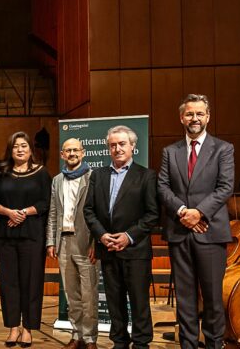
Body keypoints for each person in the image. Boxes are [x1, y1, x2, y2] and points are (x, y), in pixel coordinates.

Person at [157, 94, 234, 349]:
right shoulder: (170, 152)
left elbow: (225, 188)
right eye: (189, 114)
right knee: (185, 299)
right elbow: (163, 187)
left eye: (199, 114)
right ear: (182, 117)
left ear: (208, 117)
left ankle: (214, 345)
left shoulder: (223, 149)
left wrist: (198, 213)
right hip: (179, 232)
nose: (194, 118)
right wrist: (182, 212)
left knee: (212, 299)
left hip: (210, 232)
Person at [84, 125, 158, 349]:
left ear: (133, 146)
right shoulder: (98, 175)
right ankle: (119, 342)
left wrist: (128, 236)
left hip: (135, 251)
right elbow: (88, 210)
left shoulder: (146, 176)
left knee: (139, 302)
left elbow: (152, 214)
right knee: (114, 301)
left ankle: (141, 343)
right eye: (113, 145)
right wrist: (102, 235)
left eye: (122, 144)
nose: (117, 148)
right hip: (108, 249)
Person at [0, 131, 51, 348]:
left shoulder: (42, 173)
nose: (20, 149)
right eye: (16, 146)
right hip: (6, 235)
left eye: (24, 146)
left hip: (32, 235)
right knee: (8, 283)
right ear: (11, 149)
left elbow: (46, 202)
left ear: (30, 150)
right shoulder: (1, 173)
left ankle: (28, 329)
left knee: (31, 282)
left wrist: (24, 212)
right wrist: (9, 212)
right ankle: (13, 328)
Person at [47, 138, 98, 349]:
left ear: (83, 152)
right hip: (63, 242)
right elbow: (52, 213)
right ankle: (77, 335)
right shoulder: (57, 180)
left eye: (76, 150)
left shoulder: (93, 177)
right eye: (68, 150)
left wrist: (97, 242)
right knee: (71, 294)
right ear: (62, 155)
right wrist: (51, 241)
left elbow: (99, 212)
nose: (72, 153)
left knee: (89, 294)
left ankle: (90, 339)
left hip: (86, 242)